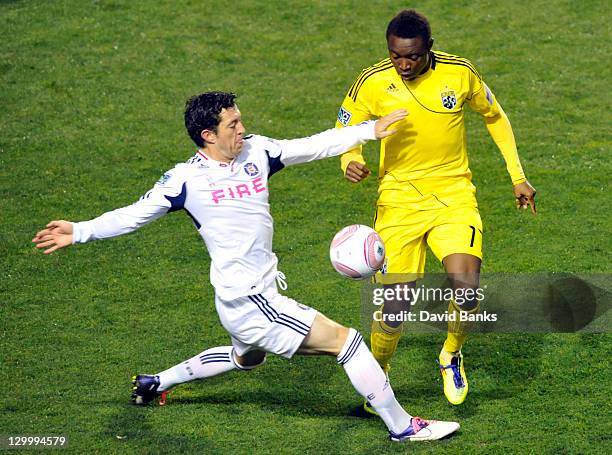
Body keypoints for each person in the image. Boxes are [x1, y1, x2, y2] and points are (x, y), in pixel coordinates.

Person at [33, 91, 459, 442]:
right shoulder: (186, 180)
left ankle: (155, 382)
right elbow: (133, 214)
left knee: (246, 358)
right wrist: (80, 230)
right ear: (207, 135)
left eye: (239, 120)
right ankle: (403, 427)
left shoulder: (258, 150)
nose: (241, 129)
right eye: (231, 125)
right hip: (251, 300)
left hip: (241, 299)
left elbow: (309, 146)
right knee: (348, 343)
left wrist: (368, 130)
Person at [335, 10, 537, 410]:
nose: (404, 64)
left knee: (466, 288)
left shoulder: (459, 73)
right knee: (395, 307)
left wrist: (517, 175)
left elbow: (494, 116)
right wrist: (349, 158)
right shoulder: (373, 80)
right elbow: (347, 123)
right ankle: (379, 373)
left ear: (429, 47)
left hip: (453, 194)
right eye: (396, 56)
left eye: (411, 56)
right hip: (398, 200)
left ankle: (450, 354)